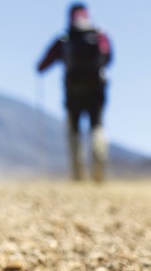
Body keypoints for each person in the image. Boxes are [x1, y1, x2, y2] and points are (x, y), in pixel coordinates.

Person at [37, 3, 112, 182]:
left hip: (73, 91)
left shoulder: (65, 39)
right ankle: (99, 169)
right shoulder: (99, 34)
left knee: (74, 131)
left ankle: (78, 175)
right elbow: (109, 57)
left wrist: (40, 68)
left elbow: (43, 65)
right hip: (96, 91)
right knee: (97, 127)